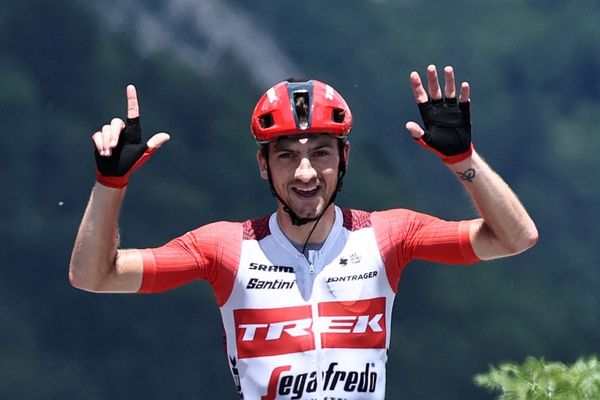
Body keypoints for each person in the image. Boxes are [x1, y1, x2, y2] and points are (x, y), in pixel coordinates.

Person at [69, 65, 538, 400]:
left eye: (322, 152)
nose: (306, 172)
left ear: (345, 159)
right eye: (287, 155)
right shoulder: (224, 248)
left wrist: (463, 160)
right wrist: (110, 184)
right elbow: (95, 276)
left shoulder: (388, 236)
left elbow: (515, 237)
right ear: (263, 165)